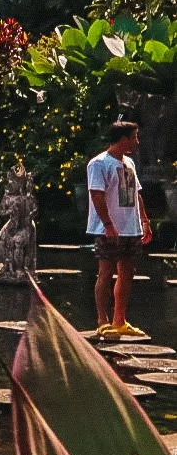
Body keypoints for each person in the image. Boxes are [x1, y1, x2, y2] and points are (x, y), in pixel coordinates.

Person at [88, 121, 152, 339]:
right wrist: (108, 225)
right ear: (123, 138)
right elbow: (96, 195)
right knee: (105, 272)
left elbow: (137, 194)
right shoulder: (99, 163)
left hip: (130, 227)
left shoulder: (130, 163)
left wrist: (144, 220)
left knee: (127, 274)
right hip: (109, 228)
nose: (137, 141)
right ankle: (102, 320)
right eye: (134, 137)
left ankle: (120, 320)